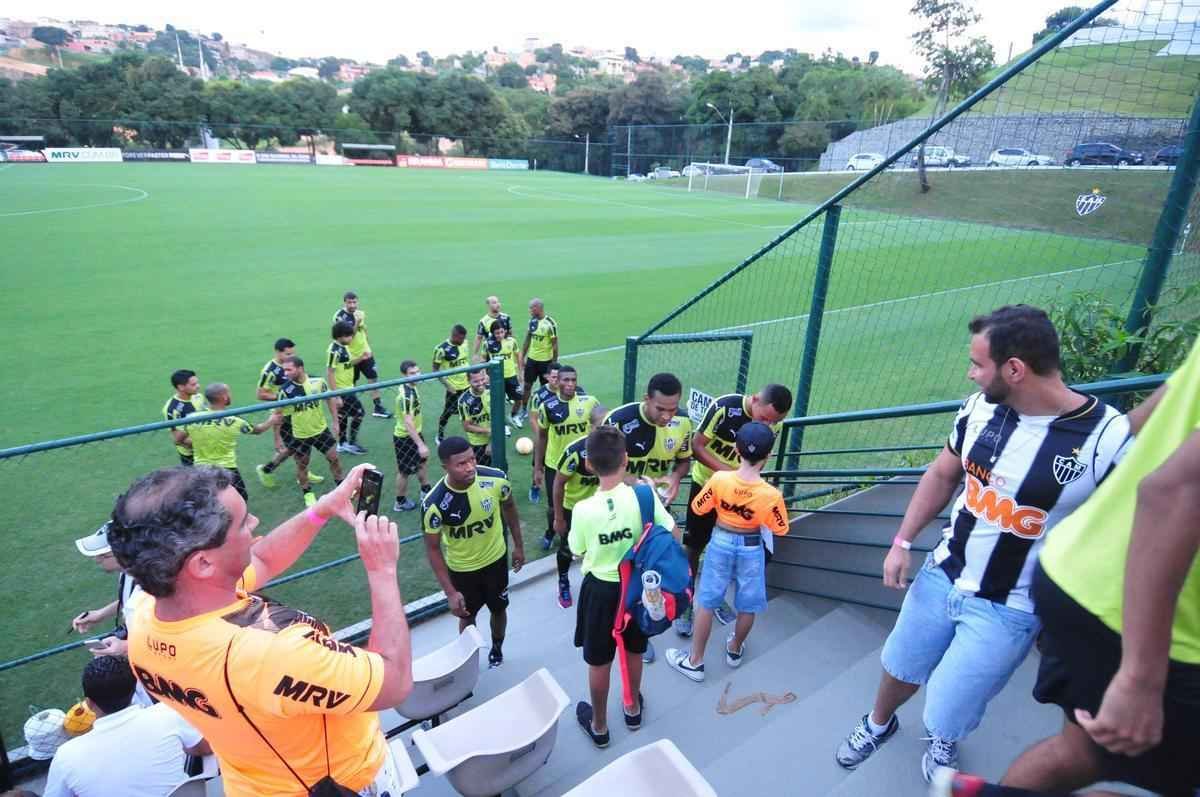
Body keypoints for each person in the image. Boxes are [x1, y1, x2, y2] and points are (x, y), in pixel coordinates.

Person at [833, 305, 1129, 783]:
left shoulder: (1107, 440)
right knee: (900, 664)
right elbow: (944, 472)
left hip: (1010, 608)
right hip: (941, 573)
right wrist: (902, 541)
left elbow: (1125, 535)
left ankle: (943, 739)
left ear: (1015, 369)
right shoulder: (979, 409)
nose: (970, 374)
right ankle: (878, 723)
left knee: (952, 702)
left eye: (977, 364)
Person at [107, 464, 413, 796]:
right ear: (203, 564)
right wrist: (381, 570)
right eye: (242, 523)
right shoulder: (273, 653)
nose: (255, 524)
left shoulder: (148, 618)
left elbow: (263, 559)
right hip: (344, 782)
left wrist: (322, 509)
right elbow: (394, 682)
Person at [998, 336, 1200, 797]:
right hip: (1155, 618)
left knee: (1082, 753)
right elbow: (1175, 494)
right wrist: (1139, 678)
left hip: (1085, 570)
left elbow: (1172, 396)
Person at [569, 425, 677, 748]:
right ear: (626, 459)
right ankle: (632, 709)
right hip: (638, 590)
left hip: (601, 591)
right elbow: (672, 535)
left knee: (599, 659)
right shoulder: (644, 495)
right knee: (634, 649)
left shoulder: (583, 510)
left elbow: (578, 549)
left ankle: (599, 726)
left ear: (589, 464)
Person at [666, 422, 790, 682]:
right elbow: (780, 528)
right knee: (747, 604)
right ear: (768, 456)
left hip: (720, 542)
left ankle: (695, 661)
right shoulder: (771, 494)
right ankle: (734, 649)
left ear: (736, 450)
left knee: (708, 601)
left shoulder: (719, 479)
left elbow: (699, 508)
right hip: (751, 547)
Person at [678, 385, 794, 635]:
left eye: (774, 422)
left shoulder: (774, 424)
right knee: (694, 545)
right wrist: (730, 477)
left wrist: (746, 484)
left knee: (727, 546)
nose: (767, 426)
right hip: (709, 485)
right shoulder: (724, 407)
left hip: (743, 494)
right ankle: (688, 600)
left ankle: (714, 596)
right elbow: (697, 447)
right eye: (764, 419)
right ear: (754, 400)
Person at [603, 371, 694, 664]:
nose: (668, 416)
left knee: (652, 565)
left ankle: (643, 628)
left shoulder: (682, 423)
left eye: (673, 408)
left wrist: (676, 478)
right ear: (647, 400)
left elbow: (683, 460)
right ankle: (624, 623)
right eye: (661, 409)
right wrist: (634, 482)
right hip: (620, 510)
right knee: (621, 570)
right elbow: (601, 465)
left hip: (657, 509)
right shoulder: (619, 420)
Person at [422, 437, 525, 669]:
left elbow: (509, 507)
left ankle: (497, 648)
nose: (470, 467)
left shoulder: (496, 479)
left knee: (499, 609)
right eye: (461, 464)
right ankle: (468, 660)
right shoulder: (435, 503)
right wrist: (450, 592)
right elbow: (432, 548)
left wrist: (518, 546)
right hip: (462, 571)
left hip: (496, 562)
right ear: (445, 467)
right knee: (467, 617)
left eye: (472, 459)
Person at [42, 655, 211, 797]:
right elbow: (205, 748)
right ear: (133, 691)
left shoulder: (66, 757)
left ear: (89, 704)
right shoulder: (167, 715)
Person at [536, 365, 600, 608]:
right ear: (557, 382)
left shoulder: (590, 403)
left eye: (573, 379)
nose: (570, 384)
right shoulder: (548, 407)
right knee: (556, 510)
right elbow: (541, 437)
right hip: (556, 465)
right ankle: (561, 572)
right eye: (565, 380)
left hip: (584, 465)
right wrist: (538, 467)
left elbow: (601, 423)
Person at [269, 356, 344, 508]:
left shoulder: (319, 382)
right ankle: (307, 493)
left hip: (321, 430)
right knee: (302, 465)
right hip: (300, 435)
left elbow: (329, 399)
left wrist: (335, 421)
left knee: (334, 458)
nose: (285, 373)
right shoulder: (285, 391)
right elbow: (278, 415)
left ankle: (341, 486)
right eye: (284, 370)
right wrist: (277, 439)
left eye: (289, 369)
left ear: (300, 368)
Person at [185, 384, 278, 500]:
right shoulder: (234, 420)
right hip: (227, 468)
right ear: (224, 397)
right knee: (241, 497)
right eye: (228, 393)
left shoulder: (192, 418)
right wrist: (271, 420)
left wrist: (203, 440)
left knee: (209, 500)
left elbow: (180, 439)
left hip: (201, 467)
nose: (230, 396)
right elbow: (257, 430)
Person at [553, 403, 608, 593]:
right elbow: (558, 484)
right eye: (600, 427)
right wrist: (559, 518)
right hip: (573, 509)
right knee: (567, 549)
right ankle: (563, 581)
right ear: (590, 427)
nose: (605, 432)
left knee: (599, 545)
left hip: (601, 509)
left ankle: (594, 581)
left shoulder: (615, 448)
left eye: (608, 426)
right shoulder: (575, 451)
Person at [70, 524, 142, 666]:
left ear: (123, 554)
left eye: (103, 555)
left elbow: (171, 641)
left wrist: (127, 647)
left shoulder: (153, 590)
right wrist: (100, 614)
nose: (97, 560)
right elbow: (128, 599)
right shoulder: (127, 572)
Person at [256, 338, 324, 489]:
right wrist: (285, 397)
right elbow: (261, 394)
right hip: (284, 415)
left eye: (292, 353)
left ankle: (302, 473)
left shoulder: (291, 365)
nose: (290, 356)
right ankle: (266, 469)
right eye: (287, 353)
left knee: (298, 445)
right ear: (278, 352)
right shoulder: (270, 371)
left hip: (298, 411)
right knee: (295, 445)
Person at [333, 291, 391, 418]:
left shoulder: (360, 313)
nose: (353, 305)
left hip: (365, 353)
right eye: (350, 302)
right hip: (351, 356)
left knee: (373, 378)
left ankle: (378, 406)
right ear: (345, 302)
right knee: (351, 383)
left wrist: (368, 344)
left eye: (355, 302)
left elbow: (363, 330)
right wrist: (356, 323)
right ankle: (349, 406)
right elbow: (348, 337)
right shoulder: (340, 317)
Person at [393, 360, 431, 512]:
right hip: (405, 437)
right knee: (404, 472)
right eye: (412, 374)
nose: (416, 376)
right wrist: (420, 444)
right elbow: (408, 422)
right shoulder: (407, 396)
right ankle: (400, 502)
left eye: (418, 372)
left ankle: (425, 489)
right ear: (404, 375)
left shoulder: (411, 387)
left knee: (422, 462)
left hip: (415, 433)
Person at [327, 321, 367, 455]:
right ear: (340, 336)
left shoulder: (344, 347)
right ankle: (350, 443)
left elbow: (348, 364)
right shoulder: (334, 351)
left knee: (343, 416)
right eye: (348, 336)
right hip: (342, 390)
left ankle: (342, 443)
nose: (351, 338)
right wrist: (336, 395)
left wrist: (361, 358)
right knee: (359, 413)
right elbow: (330, 372)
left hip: (349, 388)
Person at [527, 362, 562, 502]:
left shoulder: (567, 392)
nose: (556, 380)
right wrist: (542, 437)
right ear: (547, 377)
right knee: (538, 464)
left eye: (559, 377)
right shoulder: (539, 396)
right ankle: (535, 486)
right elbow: (533, 419)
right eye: (553, 377)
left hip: (561, 436)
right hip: (544, 438)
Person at [432, 325, 471, 444]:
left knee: (471, 410)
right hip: (453, 389)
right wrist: (448, 386)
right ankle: (440, 434)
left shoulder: (465, 344)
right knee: (447, 412)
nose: (463, 341)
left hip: (468, 386)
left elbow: (466, 363)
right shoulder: (441, 349)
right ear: (454, 336)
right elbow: (435, 371)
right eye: (461, 338)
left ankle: (473, 431)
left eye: (464, 338)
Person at [485, 323, 524, 431]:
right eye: (497, 333)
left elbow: (518, 355)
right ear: (493, 333)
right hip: (497, 378)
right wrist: (485, 375)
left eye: (502, 332)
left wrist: (520, 373)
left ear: (505, 331)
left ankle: (514, 415)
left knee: (519, 399)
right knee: (498, 403)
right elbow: (483, 360)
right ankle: (503, 424)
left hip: (511, 376)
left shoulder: (512, 341)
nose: (500, 335)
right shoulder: (488, 344)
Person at [162, 369, 203, 465]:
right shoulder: (173, 409)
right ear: (181, 387)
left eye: (197, 383)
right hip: (191, 455)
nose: (198, 386)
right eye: (193, 384)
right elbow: (178, 440)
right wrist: (202, 444)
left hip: (207, 448)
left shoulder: (198, 396)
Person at [521, 298, 558, 400]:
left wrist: (553, 364)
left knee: (546, 388)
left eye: (531, 308)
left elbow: (555, 345)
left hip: (546, 362)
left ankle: (545, 410)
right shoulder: (532, 321)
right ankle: (524, 409)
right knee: (527, 385)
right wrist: (522, 357)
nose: (529, 311)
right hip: (532, 360)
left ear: (538, 308)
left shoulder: (550, 323)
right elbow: (527, 340)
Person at [458, 369, 494, 466]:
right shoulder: (464, 401)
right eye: (476, 381)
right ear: (468, 381)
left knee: (502, 468)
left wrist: (492, 442)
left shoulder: (492, 390)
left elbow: (499, 415)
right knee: (484, 470)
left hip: (496, 438)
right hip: (478, 443)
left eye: (482, 379)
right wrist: (487, 431)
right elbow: (467, 427)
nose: (481, 383)